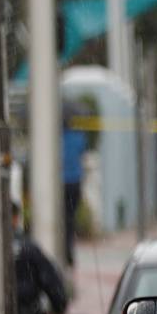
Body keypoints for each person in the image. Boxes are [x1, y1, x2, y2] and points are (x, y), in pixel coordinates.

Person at [61, 114, 88, 267]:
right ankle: (69, 250)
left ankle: (66, 248)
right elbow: (82, 153)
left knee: (65, 218)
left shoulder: (58, 138)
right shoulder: (78, 137)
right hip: (75, 183)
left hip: (63, 183)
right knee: (70, 218)